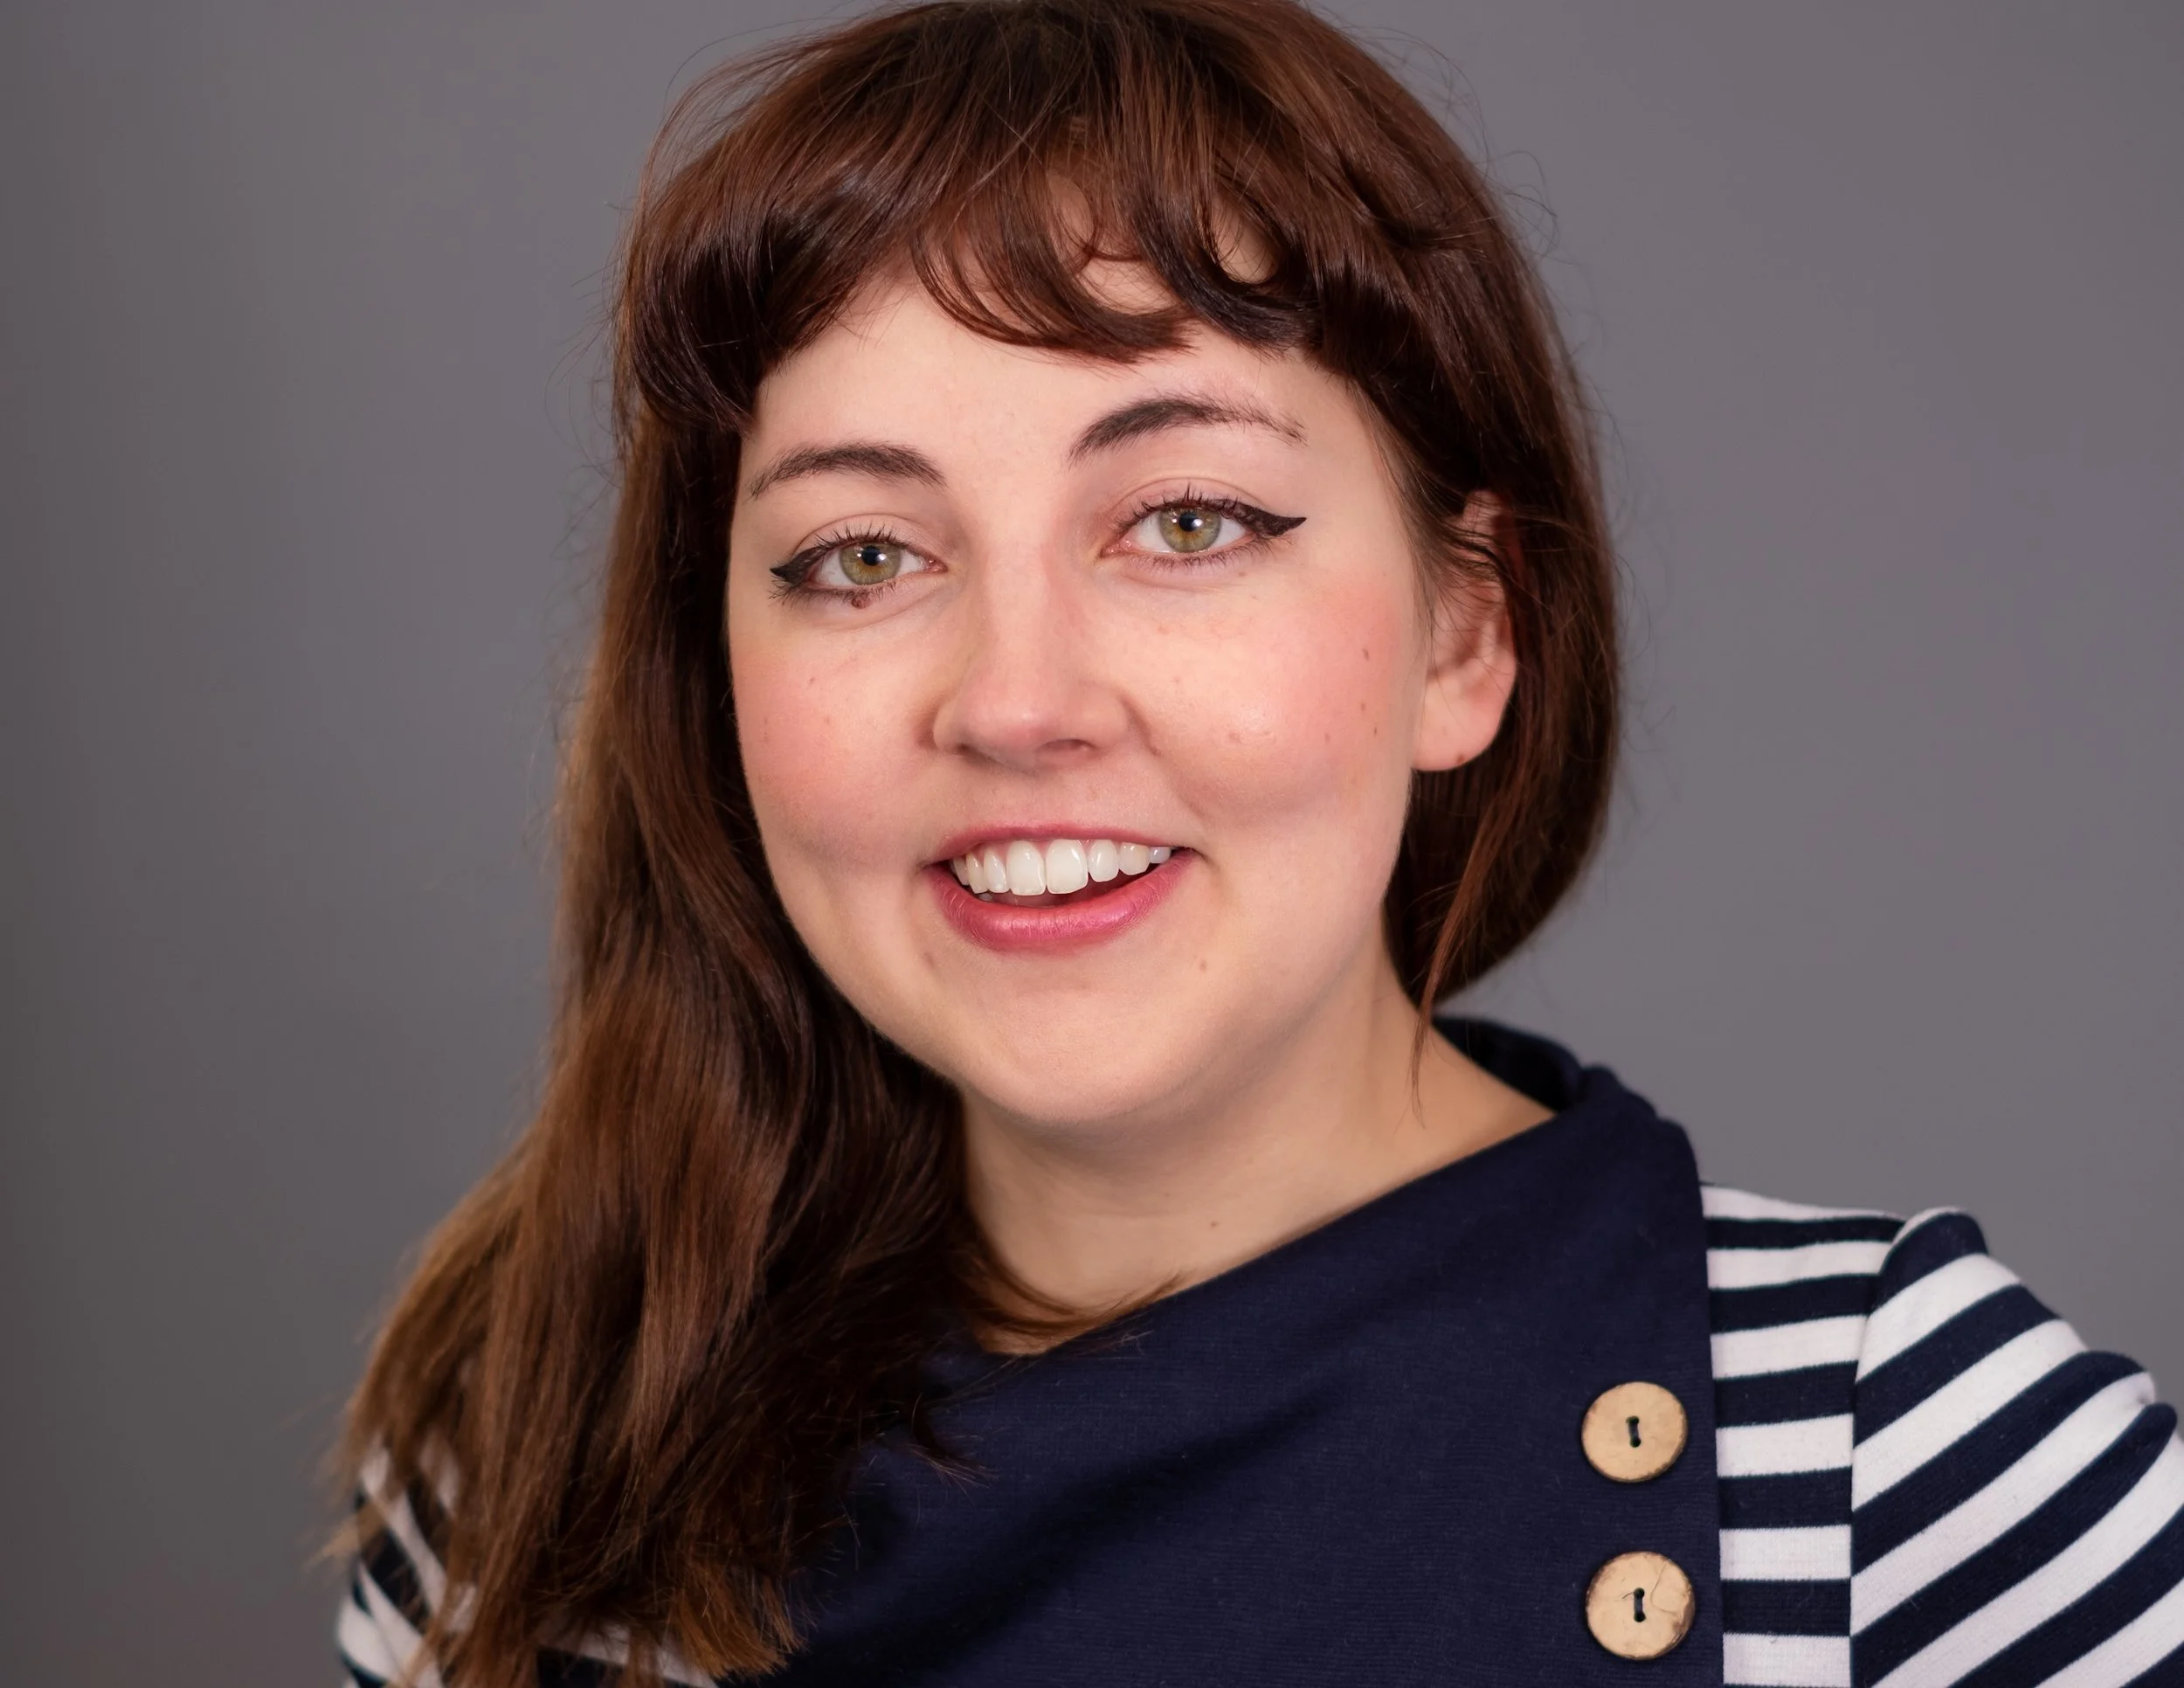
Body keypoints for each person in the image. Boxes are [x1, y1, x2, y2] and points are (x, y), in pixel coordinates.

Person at [332, 2, 2184, 1684]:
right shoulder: (521, 1487)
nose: (1014, 700)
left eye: (1188, 521)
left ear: (1467, 631)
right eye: (864, 557)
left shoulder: (1905, 1477)